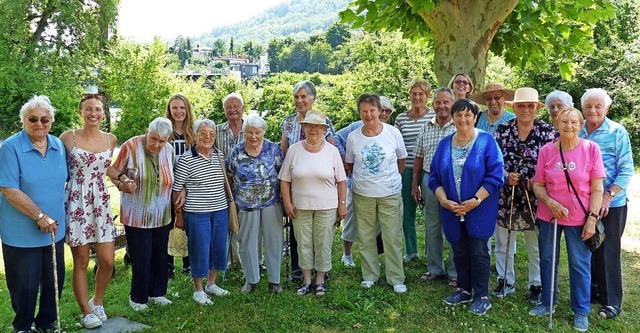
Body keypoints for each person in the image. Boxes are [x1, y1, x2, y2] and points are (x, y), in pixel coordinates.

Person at [530, 107, 605, 332]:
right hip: (549, 216)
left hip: (579, 218)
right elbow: (538, 185)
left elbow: (597, 188)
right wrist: (550, 203)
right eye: (564, 121)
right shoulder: (546, 151)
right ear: (556, 125)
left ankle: (581, 310)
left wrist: (592, 219)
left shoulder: (591, 149)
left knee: (579, 264)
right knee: (547, 259)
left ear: (581, 125)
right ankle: (547, 301)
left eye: (574, 122)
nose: (569, 126)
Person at [428, 99, 504, 315]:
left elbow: (496, 176)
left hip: (479, 209)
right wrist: (444, 201)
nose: (463, 119)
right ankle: (463, 289)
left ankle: (481, 295)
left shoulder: (487, 141)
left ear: (475, 117)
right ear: (452, 118)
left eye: (468, 115)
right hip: (451, 209)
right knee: (459, 250)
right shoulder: (444, 144)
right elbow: (434, 177)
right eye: (458, 115)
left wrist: (475, 201)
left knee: (478, 251)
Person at [0, 95, 67, 333]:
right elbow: (8, 189)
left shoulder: (58, 146)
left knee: (54, 280)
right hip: (21, 233)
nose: (39, 123)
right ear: (23, 121)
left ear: (51, 121)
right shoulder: (10, 147)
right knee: (24, 285)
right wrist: (39, 216)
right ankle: (23, 326)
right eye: (33, 119)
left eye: (45, 119)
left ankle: (47, 323)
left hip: (54, 231)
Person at [59, 93, 124, 328]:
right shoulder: (68, 138)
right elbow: (56, 169)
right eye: (88, 109)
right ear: (80, 112)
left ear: (103, 113)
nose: (93, 113)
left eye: (97, 109)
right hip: (77, 202)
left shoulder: (111, 140)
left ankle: (96, 301)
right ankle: (85, 311)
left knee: (107, 260)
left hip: (101, 203)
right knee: (82, 260)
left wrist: (123, 178)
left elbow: (108, 168)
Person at [491, 88, 555, 304]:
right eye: (521, 105)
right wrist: (506, 175)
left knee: (535, 243)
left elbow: (554, 166)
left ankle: (536, 284)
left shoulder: (548, 132)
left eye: (530, 105)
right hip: (506, 195)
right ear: (514, 108)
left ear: (536, 108)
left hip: (536, 197)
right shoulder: (502, 130)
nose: (525, 109)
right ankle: (505, 280)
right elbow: (492, 162)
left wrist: (536, 181)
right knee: (503, 242)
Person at [578, 88, 634, 320]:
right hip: (583, 201)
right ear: (583, 109)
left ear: (607, 108)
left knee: (607, 250)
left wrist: (608, 195)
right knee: (587, 247)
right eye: (589, 106)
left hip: (612, 202)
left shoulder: (617, 132)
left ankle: (611, 301)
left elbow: (626, 169)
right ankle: (594, 291)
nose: (593, 110)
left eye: (598, 106)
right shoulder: (577, 130)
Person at [279, 111, 347, 296]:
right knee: (303, 243)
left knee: (323, 242)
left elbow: (342, 181)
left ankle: (320, 281)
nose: (314, 129)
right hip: (300, 207)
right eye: (310, 125)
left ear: (324, 130)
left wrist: (342, 204)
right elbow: (284, 180)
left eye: (318, 126)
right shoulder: (294, 150)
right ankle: (306, 280)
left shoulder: (332, 151)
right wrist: (287, 203)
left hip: (327, 206)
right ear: (304, 128)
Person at [346, 94, 408, 293]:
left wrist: (387, 180)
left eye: (372, 110)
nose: (368, 115)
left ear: (380, 111)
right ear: (359, 113)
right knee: (365, 236)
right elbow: (350, 164)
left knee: (392, 236)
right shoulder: (353, 137)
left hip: (389, 193)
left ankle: (396, 278)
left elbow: (401, 160)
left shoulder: (393, 133)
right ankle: (370, 275)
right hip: (362, 193)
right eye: (364, 111)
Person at [111, 117, 174, 311]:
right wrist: (123, 182)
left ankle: (158, 293)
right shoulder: (131, 146)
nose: (156, 144)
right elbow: (112, 170)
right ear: (147, 132)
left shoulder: (169, 151)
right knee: (142, 257)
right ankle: (138, 298)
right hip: (137, 216)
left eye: (161, 141)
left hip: (162, 214)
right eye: (153, 138)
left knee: (160, 256)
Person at [280, 80, 336, 281]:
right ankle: (299, 268)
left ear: (313, 99)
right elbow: (283, 151)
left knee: (320, 232)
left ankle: (320, 270)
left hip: (321, 185)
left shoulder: (323, 121)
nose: (300, 100)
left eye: (304, 96)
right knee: (298, 229)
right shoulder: (288, 122)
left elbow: (332, 148)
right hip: (296, 182)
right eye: (296, 97)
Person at [172, 119, 230, 305]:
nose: (207, 137)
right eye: (203, 133)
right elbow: (177, 188)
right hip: (197, 214)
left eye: (211, 134)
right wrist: (179, 213)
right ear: (195, 135)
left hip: (220, 210)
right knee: (199, 250)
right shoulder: (186, 159)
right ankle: (198, 289)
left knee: (219, 248)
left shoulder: (219, 155)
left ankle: (212, 284)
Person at [226, 115, 284, 294]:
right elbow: (228, 175)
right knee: (246, 242)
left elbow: (281, 174)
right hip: (245, 203)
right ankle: (251, 279)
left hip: (271, 202)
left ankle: (275, 280)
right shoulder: (237, 151)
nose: (253, 136)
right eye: (249, 132)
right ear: (244, 132)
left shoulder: (272, 148)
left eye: (257, 132)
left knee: (274, 240)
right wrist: (231, 200)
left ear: (263, 133)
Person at [334, 96, 395, 267]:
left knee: (376, 224)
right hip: (356, 183)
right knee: (351, 217)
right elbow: (336, 137)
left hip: (381, 187)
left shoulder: (390, 130)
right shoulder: (356, 127)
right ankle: (347, 255)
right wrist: (344, 158)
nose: (384, 113)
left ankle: (373, 257)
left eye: (388, 111)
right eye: (381, 109)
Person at [412, 87, 458, 287]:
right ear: (433, 105)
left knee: (454, 226)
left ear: (452, 104)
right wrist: (415, 184)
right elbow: (419, 157)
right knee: (432, 226)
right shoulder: (425, 127)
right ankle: (435, 269)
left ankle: (455, 272)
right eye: (438, 102)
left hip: (454, 182)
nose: (442, 106)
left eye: (446, 102)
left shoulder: (459, 126)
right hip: (430, 180)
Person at [395, 78, 434, 262]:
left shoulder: (433, 117)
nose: (417, 97)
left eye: (421, 94)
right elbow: (396, 145)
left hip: (428, 170)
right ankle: (411, 251)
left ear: (427, 96)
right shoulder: (401, 118)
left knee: (431, 213)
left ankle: (431, 252)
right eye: (414, 93)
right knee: (407, 212)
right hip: (407, 169)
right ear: (409, 95)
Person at [164, 93, 196, 277]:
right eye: (174, 107)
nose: (178, 111)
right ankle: (167, 265)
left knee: (188, 223)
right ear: (169, 110)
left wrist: (183, 185)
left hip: (189, 186)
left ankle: (188, 263)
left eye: (182, 107)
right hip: (167, 187)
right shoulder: (164, 132)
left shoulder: (193, 132)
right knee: (168, 224)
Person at [215, 92, 245, 267]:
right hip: (223, 184)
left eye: (236, 106)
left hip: (247, 186)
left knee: (248, 224)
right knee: (228, 222)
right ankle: (232, 260)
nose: (233, 110)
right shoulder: (217, 131)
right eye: (229, 107)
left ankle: (254, 259)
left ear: (242, 108)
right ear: (224, 110)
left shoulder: (251, 128)